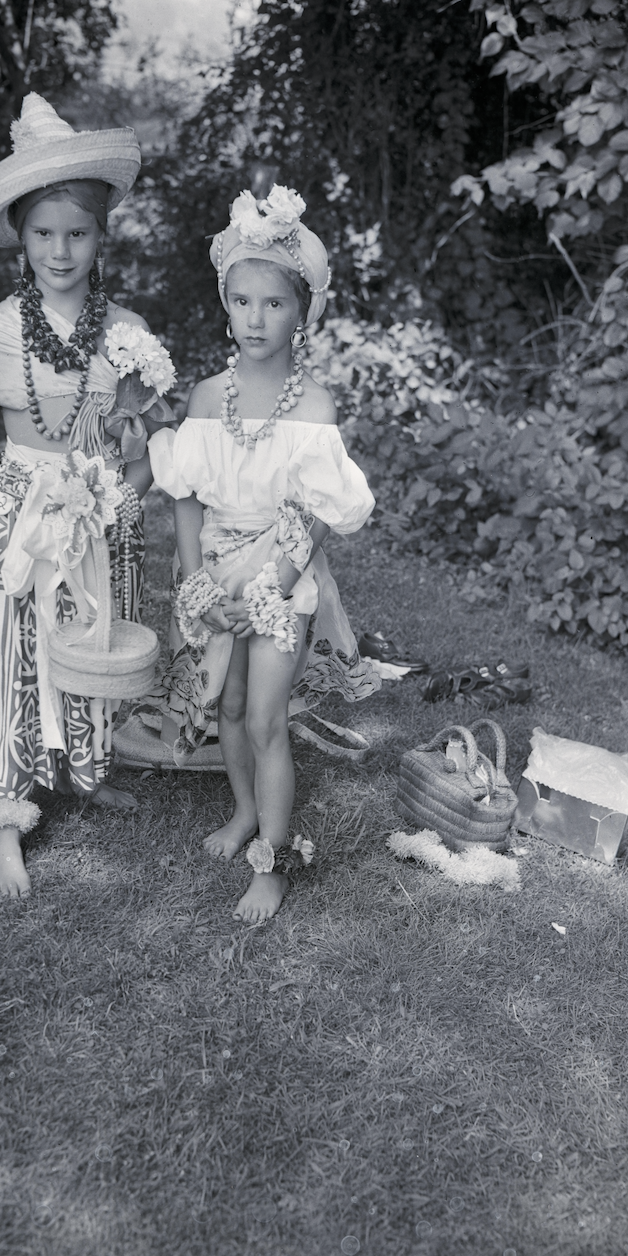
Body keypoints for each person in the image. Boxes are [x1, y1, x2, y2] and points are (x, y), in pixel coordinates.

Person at [0, 93, 173, 898]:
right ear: (19, 238)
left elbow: (143, 443)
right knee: (10, 649)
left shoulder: (128, 333)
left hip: (97, 515)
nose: (60, 251)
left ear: (102, 238)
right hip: (22, 516)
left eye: (77, 233)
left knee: (90, 638)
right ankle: (5, 814)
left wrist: (123, 490)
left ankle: (88, 768)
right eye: (43, 233)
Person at [148, 186, 380, 922]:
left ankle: (273, 864)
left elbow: (315, 514)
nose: (255, 318)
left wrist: (271, 589)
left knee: (267, 718)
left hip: (282, 573)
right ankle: (246, 811)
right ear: (225, 302)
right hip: (218, 569)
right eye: (242, 301)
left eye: (274, 305)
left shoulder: (313, 409)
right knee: (233, 705)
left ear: (301, 313)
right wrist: (196, 580)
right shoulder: (206, 395)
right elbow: (184, 494)